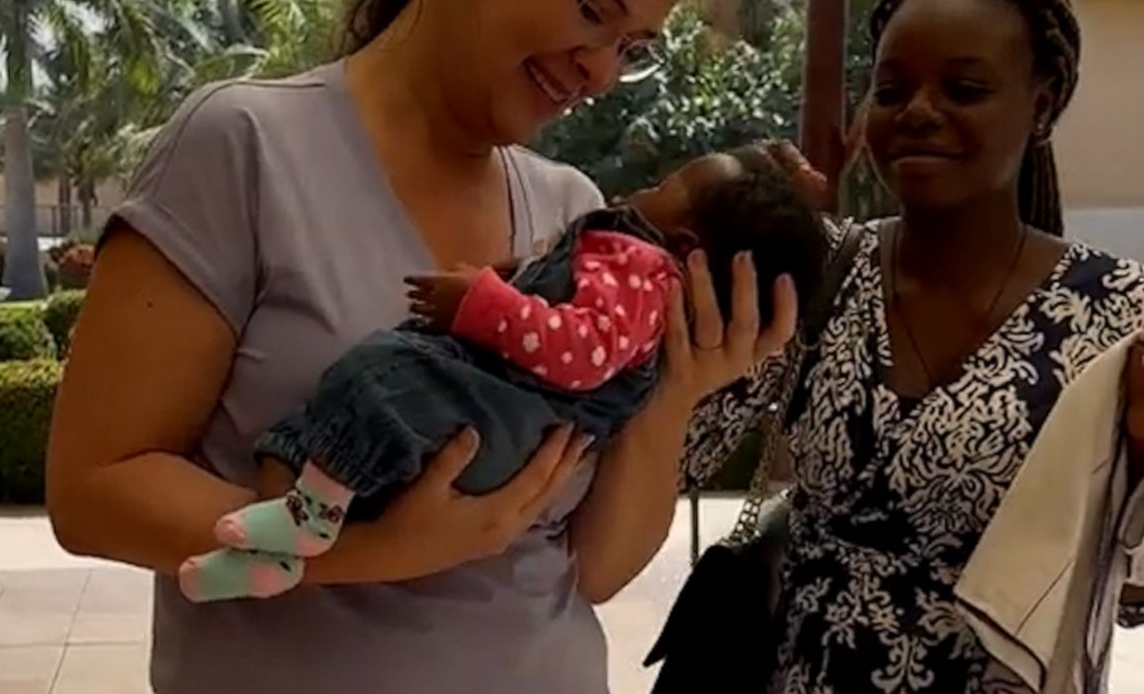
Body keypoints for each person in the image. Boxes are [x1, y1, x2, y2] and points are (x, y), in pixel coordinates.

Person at [43, 0, 799, 692]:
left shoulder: (575, 216)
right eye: (591, 7)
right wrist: (363, 550)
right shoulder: (243, 148)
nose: (599, 67)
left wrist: (676, 391)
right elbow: (95, 492)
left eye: (630, 46)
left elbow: (589, 571)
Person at [605, 0, 1144, 693]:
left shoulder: (1116, 310)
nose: (920, 114)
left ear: (1040, 104)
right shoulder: (816, 275)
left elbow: (1138, 599)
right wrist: (710, 223)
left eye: (965, 89)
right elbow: (665, 458)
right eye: (893, 90)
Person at [178, 146, 828, 603]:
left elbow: (578, 349)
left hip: (497, 418)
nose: (642, 190)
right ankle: (279, 559)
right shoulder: (246, 143)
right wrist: (379, 553)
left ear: (685, 246)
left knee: (373, 385)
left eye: (665, 187)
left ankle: (298, 535)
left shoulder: (635, 265)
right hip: (485, 413)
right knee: (315, 427)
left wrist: (484, 303)